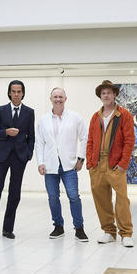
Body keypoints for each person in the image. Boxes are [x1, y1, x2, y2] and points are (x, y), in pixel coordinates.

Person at [0, 80, 35, 239]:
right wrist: (6, 132)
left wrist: (28, 154)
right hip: (1, 157)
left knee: (15, 193)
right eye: (13, 91)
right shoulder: (1, 110)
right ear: (9, 93)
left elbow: (31, 137)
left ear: (23, 93)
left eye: (19, 91)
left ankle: (7, 229)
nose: (16, 94)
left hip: (19, 157)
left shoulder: (29, 112)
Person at [86, 80, 136, 247]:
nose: (106, 96)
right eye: (103, 93)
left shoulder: (124, 115)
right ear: (100, 97)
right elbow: (90, 140)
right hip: (97, 164)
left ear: (114, 95)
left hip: (115, 164)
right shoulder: (96, 116)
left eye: (109, 92)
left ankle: (126, 233)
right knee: (101, 199)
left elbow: (129, 141)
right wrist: (90, 163)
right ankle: (109, 231)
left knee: (122, 199)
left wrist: (123, 163)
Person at [36, 87, 89, 241]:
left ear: (65, 99)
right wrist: (40, 162)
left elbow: (84, 138)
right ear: (50, 99)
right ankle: (58, 226)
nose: (58, 99)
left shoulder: (75, 117)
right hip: (50, 165)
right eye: (55, 96)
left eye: (60, 96)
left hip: (69, 165)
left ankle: (79, 228)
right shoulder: (43, 120)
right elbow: (39, 143)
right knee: (53, 197)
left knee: (74, 196)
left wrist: (81, 158)